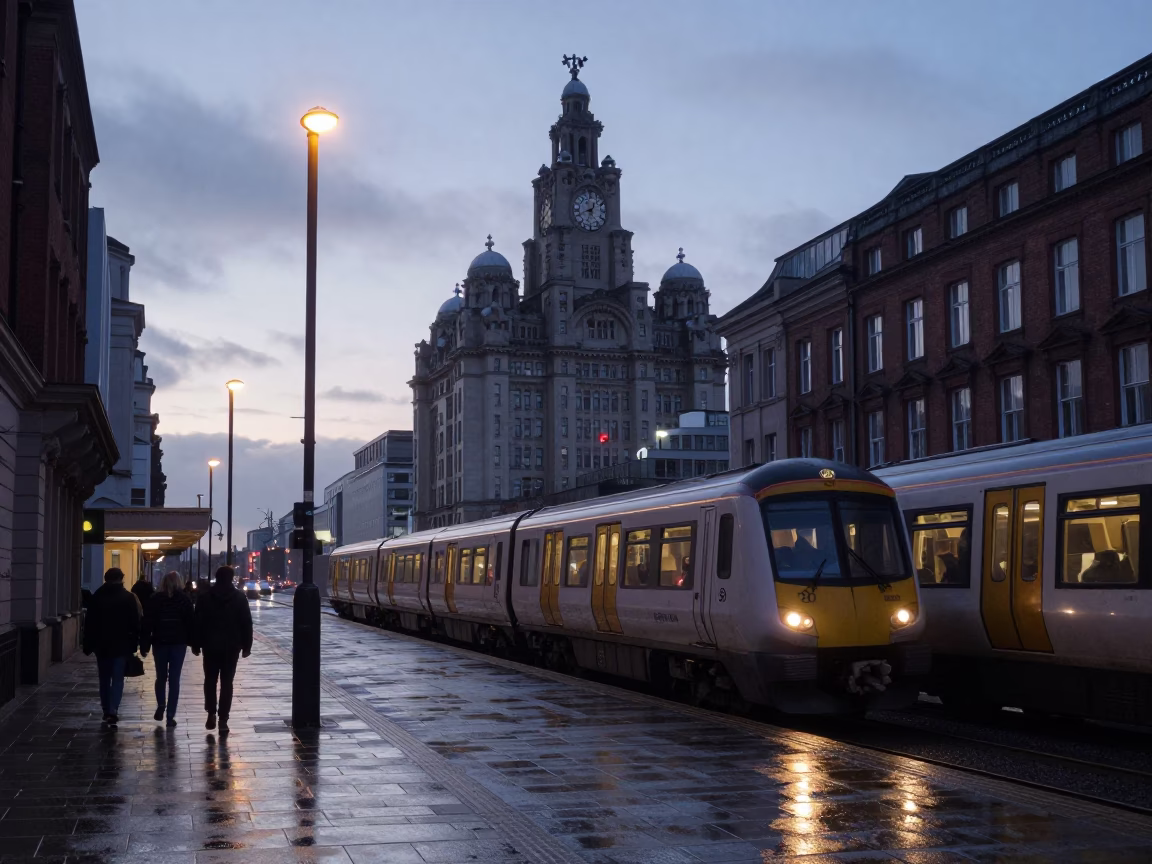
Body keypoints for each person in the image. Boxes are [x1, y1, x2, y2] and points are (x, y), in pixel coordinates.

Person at [192, 565, 252, 734]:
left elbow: (198, 623)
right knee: (227, 683)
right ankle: (223, 719)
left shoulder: (204, 598)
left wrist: (196, 644)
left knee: (210, 680)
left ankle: (211, 712)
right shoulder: (240, 598)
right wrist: (247, 646)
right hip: (231, 647)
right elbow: (246, 623)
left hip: (210, 646)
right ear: (231, 578)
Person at [82, 567, 142, 726]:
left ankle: (105, 708)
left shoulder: (97, 597)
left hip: (101, 645)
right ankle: (113, 709)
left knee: (104, 678)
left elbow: (90, 623)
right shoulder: (129, 597)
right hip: (122, 645)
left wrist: (88, 643)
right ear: (121, 578)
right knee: (117, 678)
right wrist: (135, 643)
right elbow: (135, 623)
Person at [141, 570, 196, 727]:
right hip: (178, 643)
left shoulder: (155, 599)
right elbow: (191, 623)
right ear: (179, 582)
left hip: (160, 642)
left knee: (161, 677)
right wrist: (194, 643)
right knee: (174, 679)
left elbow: (147, 623)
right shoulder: (184, 600)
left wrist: (144, 644)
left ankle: (161, 705)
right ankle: (170, 715)